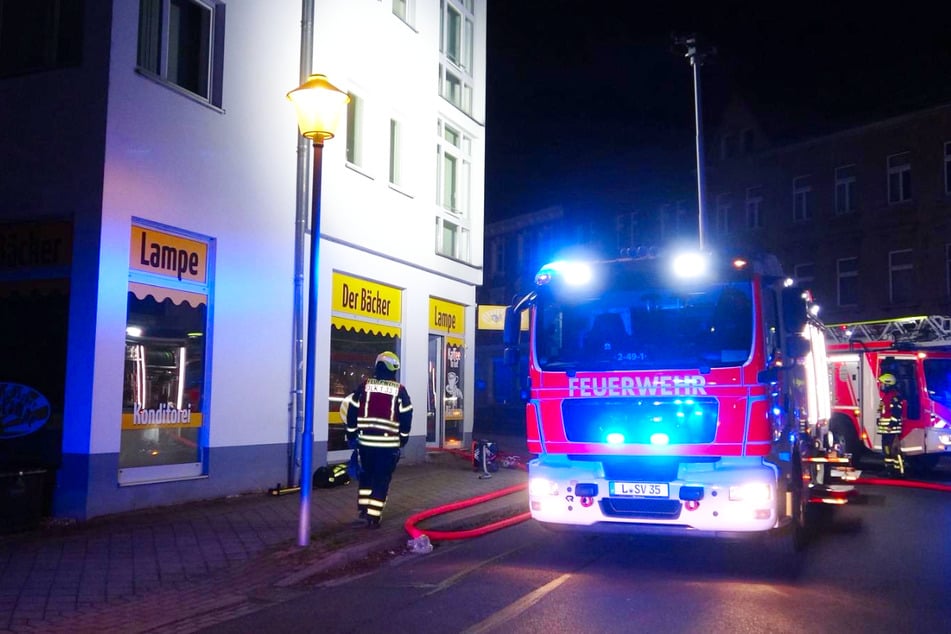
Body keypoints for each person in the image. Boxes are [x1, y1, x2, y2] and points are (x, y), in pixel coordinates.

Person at [344, 351, 413, 528]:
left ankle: (363, 511)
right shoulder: (399, 390)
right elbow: (406, 415)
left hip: (365, 443)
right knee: (381, 479)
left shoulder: (365, 386)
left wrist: (352, 434)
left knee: (366, 477)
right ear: (394, 368)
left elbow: (352, 410)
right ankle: (373, 517)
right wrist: (403, 438)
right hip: (387, 445)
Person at [876, 372, 905, 476]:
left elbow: (896, 413)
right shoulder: (887, 396)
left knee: (892, 450)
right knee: (886, 450)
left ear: (888, 384)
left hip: (891, 430)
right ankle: (889, 469)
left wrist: (891, 425)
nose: (881, 386)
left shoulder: (894, 397)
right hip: (886, 429)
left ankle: (896, 471)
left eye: (883, 384)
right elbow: (884, 411)